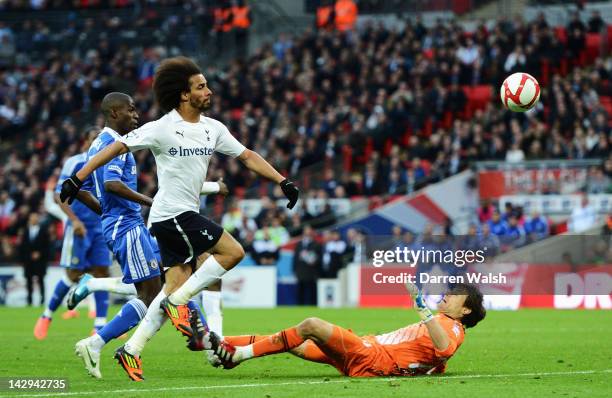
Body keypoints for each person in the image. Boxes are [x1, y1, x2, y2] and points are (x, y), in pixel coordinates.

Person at [59, 57, 299, 379]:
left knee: (166, 290)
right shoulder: (162, 127)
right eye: (201, 86)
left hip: (181, 215)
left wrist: (282, 181)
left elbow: (247, 156)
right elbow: (117, 147)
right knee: (232, 252)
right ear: (185, 95)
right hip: (172, 216)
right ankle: (182, 303)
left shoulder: (213, 129)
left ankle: (131, 350)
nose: (209, 91)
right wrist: (79, 176)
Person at [65, 92, 214, 380]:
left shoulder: (96, 145)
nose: (136, 115)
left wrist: (106, 215)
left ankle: (202, 336)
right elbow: (111, 184)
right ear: (114, 114)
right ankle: (96, 343)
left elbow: (81, 190)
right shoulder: (113, 145)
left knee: (162, 285)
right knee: (151, 294)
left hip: (122, 224)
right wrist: (150, 202)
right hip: (128, 226)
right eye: (130, 110)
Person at [213, 283, 486, 376]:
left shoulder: (453, 328)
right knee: (294, 342)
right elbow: (434, 362)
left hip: (371, 356)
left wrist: (422, 308)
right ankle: (215, 342)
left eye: (457, 294)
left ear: (466, 310)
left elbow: (445, 348)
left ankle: (238, 356)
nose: (448, 294)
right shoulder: (442, 321)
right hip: (366, 351)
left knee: (310, 325)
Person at [33, 128, 112, 341]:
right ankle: (46, 315)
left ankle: (99, 326)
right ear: (85, 142)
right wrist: (74, 220)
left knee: (102, 272)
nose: (98, 144)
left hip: (101, 227)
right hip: (79, 226)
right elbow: (60, 195)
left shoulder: (109, 164)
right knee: (73, 273)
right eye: (94, 139)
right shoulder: (75, 162)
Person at [19, 212, 51, 307]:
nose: (34, 219)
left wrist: (40, 253)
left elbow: (47, 246)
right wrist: (28, 255)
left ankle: (42, 300)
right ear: (29, 219)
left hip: (40, 261)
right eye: (32, 218)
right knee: (28, 281)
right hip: (28, 261)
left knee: (41, 280)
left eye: (35, 217)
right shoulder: (25, 231)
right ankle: (29, 300)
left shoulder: (44, 231)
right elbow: (23, 246)